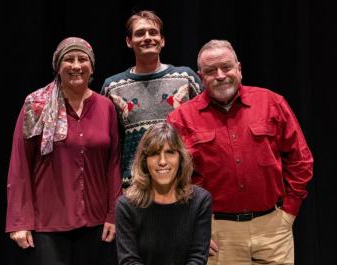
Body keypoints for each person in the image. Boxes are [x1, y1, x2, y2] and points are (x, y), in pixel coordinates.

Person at [167, 40, 314, 265]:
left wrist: (288, 213)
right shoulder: (181, 119)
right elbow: (171, 180)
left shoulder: (272, 103)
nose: (220, 75)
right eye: (210, 71)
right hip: (217, 233)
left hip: (273, 229)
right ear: (200, 77)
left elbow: (300, 159)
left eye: (226, 67)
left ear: (239, 69)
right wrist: (192, 228)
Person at [5, 37, 122, 265]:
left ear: (92, 67)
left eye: (82, 59)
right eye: (69, 59)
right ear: (58, 67)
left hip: (96, 223)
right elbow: (20, 165)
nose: (76, 65)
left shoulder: (105, 106)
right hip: (47, 223)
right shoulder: (35, 105)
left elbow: (113, 163)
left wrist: (114, 215)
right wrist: (20, 221)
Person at [101, 10, 202, 188]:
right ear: (128, 41)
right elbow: (107, 143)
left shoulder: (187, 78)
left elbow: (206, 126)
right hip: (134, 186)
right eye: (140, 33)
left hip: (181, 183)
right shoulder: (112, 87)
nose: (147, 37)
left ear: (162, 40)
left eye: (153, 33)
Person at [115, 122, 212, 265]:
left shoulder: (200, 201)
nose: (162, 161)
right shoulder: (126, 206)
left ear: (180, 157)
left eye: (170, 152)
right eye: (154, 154)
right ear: (144, 161)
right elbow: (129, 261)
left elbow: (197, 258)